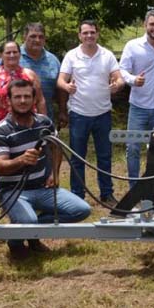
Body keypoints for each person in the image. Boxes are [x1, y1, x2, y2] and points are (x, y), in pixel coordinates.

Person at [0, 79, 92, 261]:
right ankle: (18, 240)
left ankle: (26, 232)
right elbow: (1, 167)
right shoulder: (1, 131)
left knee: (82, 210)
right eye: (17, 97)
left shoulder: (44, 123)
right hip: (13, 191)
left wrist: (54, 173)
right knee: (29, 222)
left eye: (27, 97)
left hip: (42, 188)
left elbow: (56, 147)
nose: (22, 101)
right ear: (9, 101)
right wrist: (21, 160)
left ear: (34, 99)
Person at [57, 20, 124, 202]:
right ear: (79, 35)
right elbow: (60, 80)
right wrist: (67, 86)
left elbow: (119, 78)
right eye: (85, 33)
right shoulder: (72, 56)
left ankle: (107, 193)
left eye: (92, 32)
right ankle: (78, 195)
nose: (89, 36)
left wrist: (117, 85)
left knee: (105, 156)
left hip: (103, 114)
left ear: (97, 34)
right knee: (78, 157)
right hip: (79, 114)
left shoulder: (107, 55)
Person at [119, 9, 154, 185]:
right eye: (152, 24)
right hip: (138, 106)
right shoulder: (132, 46)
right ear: (145, 25)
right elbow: (122, 70)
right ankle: (134, 187)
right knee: (133, 147)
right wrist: (133, 80)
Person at [0, 23, 66, 126]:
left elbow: (60, 90)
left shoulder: (53, 60)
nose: (37, 40)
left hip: (44, 118)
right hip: (10, 121)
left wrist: (62, 111)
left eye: (41, 37)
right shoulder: (11, 56)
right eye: (33, 36)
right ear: (24, 37)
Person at [0, 40, 46, 142]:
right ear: (1, 55)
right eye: (8, 52)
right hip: (1, 127)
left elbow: (40, 100)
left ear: (20, 54)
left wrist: (43, 124)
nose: (12, 55)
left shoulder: (30, 75)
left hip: (29, 125)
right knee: (3, 156)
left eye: (15, 52)